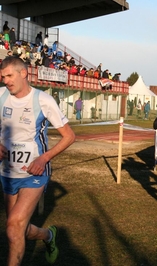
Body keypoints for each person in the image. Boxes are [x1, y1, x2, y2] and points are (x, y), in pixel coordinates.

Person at [0, 57, 75, 265]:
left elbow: (69, 136)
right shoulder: (0, 96)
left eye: (9, 76)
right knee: (15, 228)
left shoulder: (43, 100)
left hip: (34, 173)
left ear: (23, 73)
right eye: (2, 77)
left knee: (14, 226)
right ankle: (48, 236)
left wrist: (44, 158)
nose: (5, 81)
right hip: (7, 172)